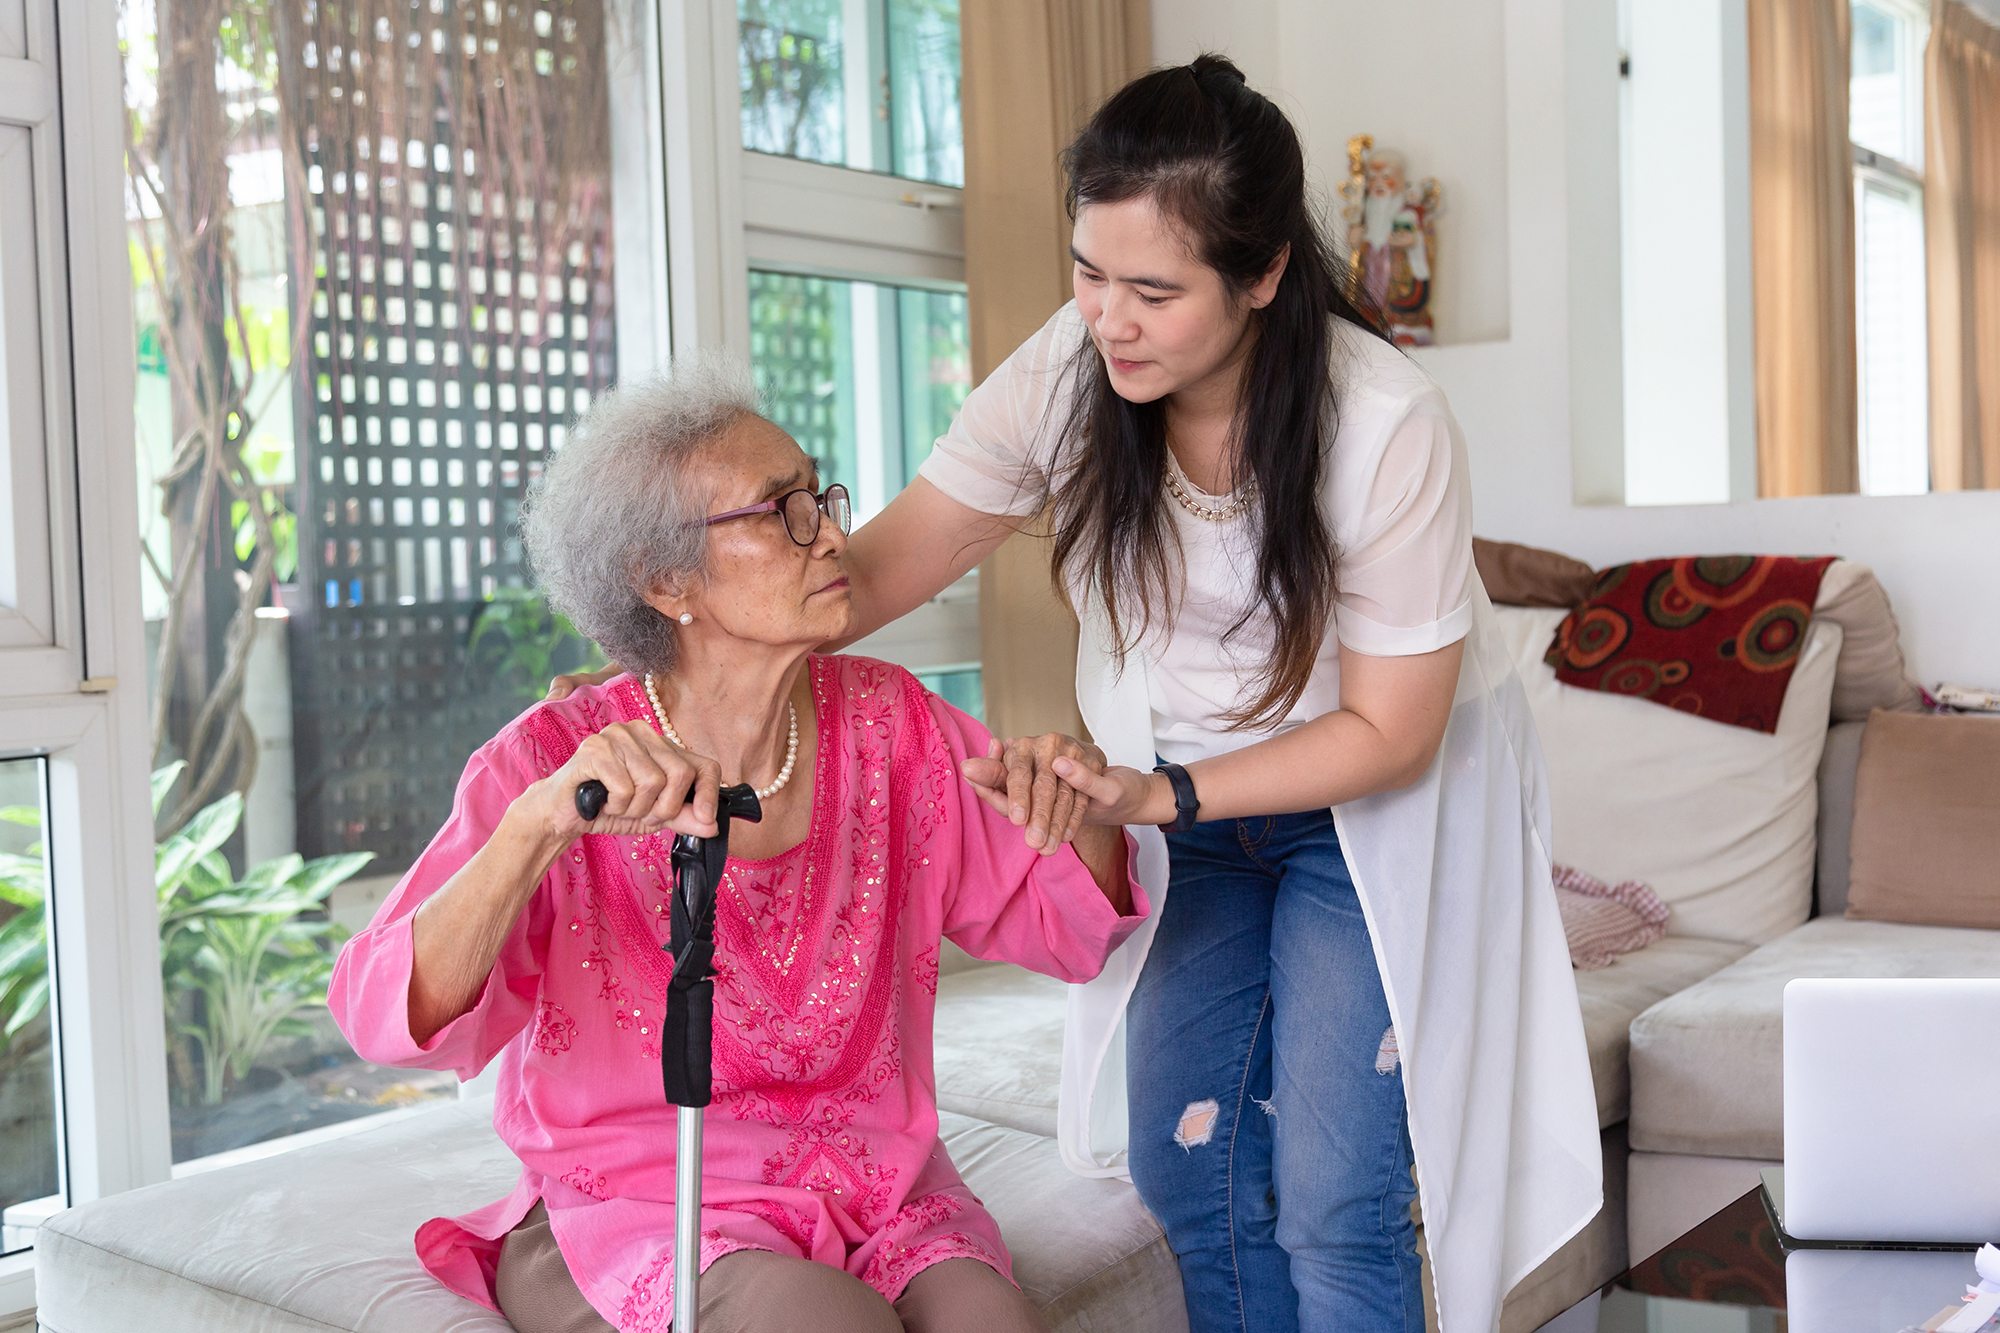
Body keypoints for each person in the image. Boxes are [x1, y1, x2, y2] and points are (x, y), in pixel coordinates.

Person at [553, 56, 1598, 1333]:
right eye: (1088, 272)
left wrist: (1156, 792)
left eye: (1153, 290)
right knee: (1184, 1151)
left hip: (1366, 810)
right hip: (1185, 809)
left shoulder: (1383, 424)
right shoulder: (1072, 369)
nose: (1109, 319)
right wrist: (659, 658)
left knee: (1335, 1188)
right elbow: (877, 567)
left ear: (1263, 274)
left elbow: (1389, 729)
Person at [329, 363, 1148, 1333]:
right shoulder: (548, 760)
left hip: (877, 1200)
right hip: (639, 1205)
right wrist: (538, 824)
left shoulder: (892, 724)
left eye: (821, 496)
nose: (835, 534)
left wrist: (1082, 801)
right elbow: (389, 1018)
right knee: (821, 1322)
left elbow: (1068, 928)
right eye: (784, 510)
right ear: (665, 579)